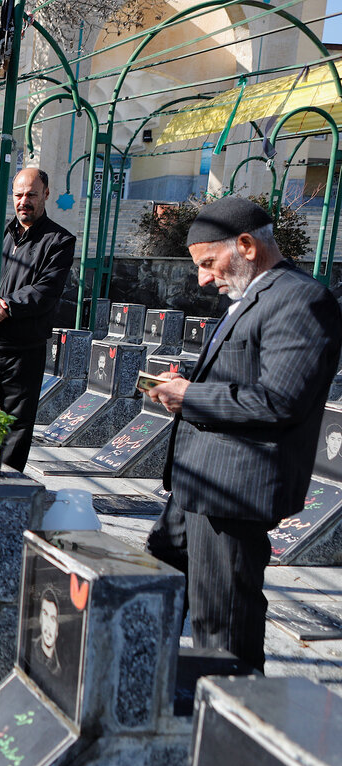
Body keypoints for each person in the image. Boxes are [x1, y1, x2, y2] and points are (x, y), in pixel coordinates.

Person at [145, 196, 342, 672]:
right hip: (198, 485)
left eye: (208, 264)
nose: (203, 279)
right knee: (155, 589)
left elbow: (280, 401)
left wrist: (190, 396)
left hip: (234, 493)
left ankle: (232, 719)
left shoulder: (300, 299)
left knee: (224, 626)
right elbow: (239, 377)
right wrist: (186, 384)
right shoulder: (253, 295)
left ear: (247, 246)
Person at [0, 166, 77, 472]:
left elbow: (46, 290)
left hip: (23, 351)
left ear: (46, 195)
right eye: (18, 194)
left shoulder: (59, 241)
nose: (23, 201)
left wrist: (7, 306)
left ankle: (6, 489)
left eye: (31, 194)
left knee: (15, 427)